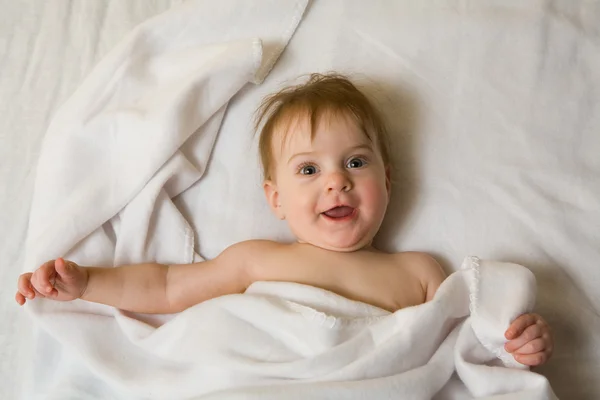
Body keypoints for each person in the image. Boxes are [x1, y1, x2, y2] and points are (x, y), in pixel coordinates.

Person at [15, 73, 553, 367]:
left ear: (387, 181)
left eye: (356, 162)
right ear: (275, 199)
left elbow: (467, 343)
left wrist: (512, 344)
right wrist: (88, 282)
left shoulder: (419, 273)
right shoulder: (258, 259)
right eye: (309, 169)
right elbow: (168, 285)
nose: (336, 181)